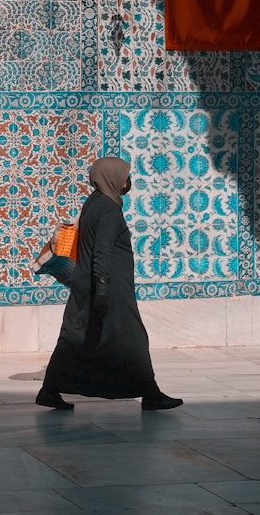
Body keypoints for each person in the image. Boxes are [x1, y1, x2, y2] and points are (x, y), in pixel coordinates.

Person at [36, 156, 183, 411]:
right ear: (112, 178)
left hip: (88, 285)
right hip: (110, 290)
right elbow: (102, 251)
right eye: (124, 176)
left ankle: (50, 389)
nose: (127, 181)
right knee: (133, 340)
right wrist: (103, 287)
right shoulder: (109, 210)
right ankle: (151, 393)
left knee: (76, 339)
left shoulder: (94, 202)